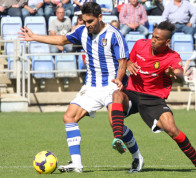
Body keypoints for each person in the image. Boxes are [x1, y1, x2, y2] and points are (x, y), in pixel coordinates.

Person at [19, 2, 143, 173]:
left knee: (115, 125)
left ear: (100, 17)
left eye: (90, 21)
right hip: (91, 87)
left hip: (111, 86)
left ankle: (137, 157)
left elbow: (123, 62)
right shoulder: (82, 31)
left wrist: (120, 79)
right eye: (84, 21)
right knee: (69, 117)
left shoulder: (114, 35)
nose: (87, 25)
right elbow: (62, 39)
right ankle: (76, 164)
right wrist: (34, 37)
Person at [110, 20, 196, 173]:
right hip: (132, 93)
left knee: (172, 129)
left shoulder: (172, 56)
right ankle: (118, 138)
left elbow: (179, 75)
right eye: (153, 36)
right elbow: (127, 59)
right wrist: (128, 63)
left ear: (167, 41)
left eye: (158, 38)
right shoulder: (140, 44)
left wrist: (173, 73)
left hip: (153, 98)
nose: (153, 40)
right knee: (117, 94)